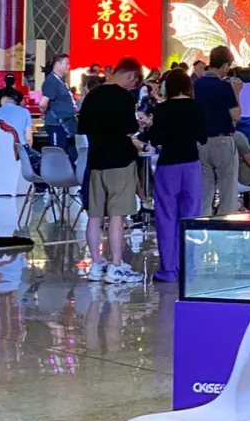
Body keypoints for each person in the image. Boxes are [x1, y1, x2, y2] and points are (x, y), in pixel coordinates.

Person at [77, 56, 144, 282]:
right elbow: (129, 129)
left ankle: (96, 264)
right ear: (131, 75)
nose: (133, 86)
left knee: (94, 216)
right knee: (117, 215)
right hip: (120, 161)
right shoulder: (123, 97)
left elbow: (82, 127)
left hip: (96, 161)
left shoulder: (93, 95)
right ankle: (116, 265)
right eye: (134, 82)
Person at [147, 69, 207, 283]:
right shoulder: (197, 107)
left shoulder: (162, 109)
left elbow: (155, 139)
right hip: (191, 165)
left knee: (166, 216)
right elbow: (203, 137)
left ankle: (169, 269)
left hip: (168, 165)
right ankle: (188, 266)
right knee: (190, 216)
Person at [193, 45, 240, 217]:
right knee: (227, 190)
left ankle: (202, 225)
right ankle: (225, 224)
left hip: (201, 141)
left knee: (205, 190)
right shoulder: (224, 86)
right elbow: (235, 115)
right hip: (222, 140)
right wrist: (236, 93)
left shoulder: (197, 84)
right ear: (225, 65)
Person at [39, 53, 77, 159]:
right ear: (57, 64)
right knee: (58, 152)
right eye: (66, 63)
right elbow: (43, 103)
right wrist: (44, 113)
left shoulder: (60, 81)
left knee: (69, 153)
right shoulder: (52, 81)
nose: (68, 66)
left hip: (66, 124)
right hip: (56, 124)